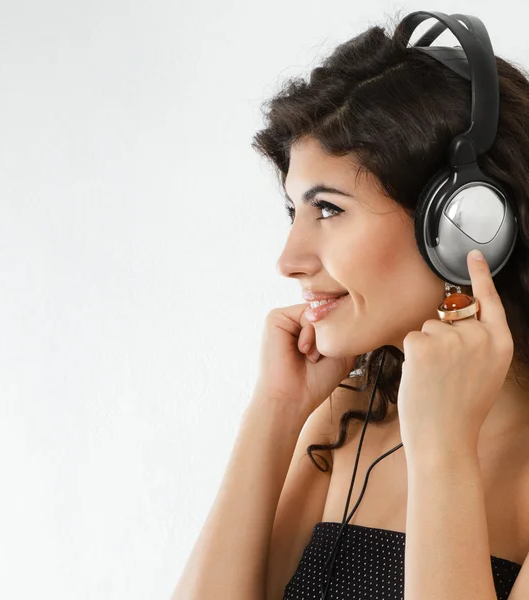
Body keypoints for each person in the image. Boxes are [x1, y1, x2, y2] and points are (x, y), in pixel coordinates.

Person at [170, 12, 529, 600]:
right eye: (294, 212)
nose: (290, 260)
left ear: (466, 224)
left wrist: (443, 453)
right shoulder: (348, 419)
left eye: (330, 209)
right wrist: (277, 410)